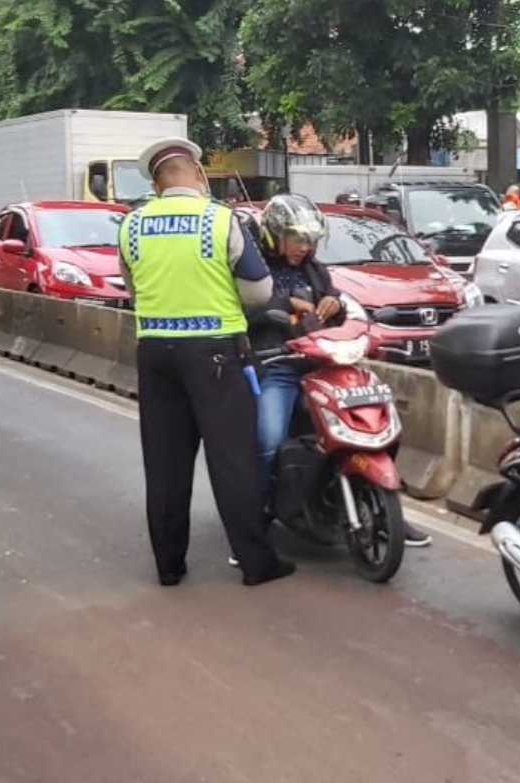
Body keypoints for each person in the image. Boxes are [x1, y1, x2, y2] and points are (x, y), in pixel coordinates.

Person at [120, 136, 297, 588]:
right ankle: (257, 563)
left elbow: (133, 287)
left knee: (164, 464)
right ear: (196, 174)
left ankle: (169, 566)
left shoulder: (132, 225)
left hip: (156, 353)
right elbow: (258, 291)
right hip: (217, 351)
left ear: (157, 182)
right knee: (231, 459)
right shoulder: (220, 220)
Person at [244, 195, 435, 549]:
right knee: (268, 440)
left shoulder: (315, 270)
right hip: (280, 367)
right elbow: (250, 310)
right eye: (298, 238)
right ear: (274, 235)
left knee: (376, 425)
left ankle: (384, 506)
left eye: (311, 239)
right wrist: (286, 306)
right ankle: (252, 525)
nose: (305, 247)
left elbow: (333, 305)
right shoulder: (258, 272)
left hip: (325, 363)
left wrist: (335, 306)